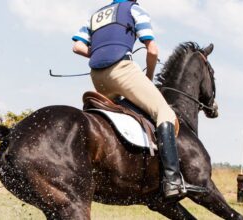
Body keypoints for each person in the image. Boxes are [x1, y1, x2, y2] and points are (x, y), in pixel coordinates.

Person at [72, 0, 183, 200]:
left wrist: (98, 52)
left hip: (97, 76)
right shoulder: (134, 9)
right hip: (122, 70)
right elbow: (152, 50)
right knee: (164, 112)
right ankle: (173, 179)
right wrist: (148, 78)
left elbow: (78, 46)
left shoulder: (96, 15)